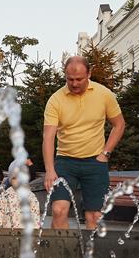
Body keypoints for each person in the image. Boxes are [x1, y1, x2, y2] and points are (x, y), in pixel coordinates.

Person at [42, 55, 126, 230]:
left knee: (95, 217)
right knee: (58, 210)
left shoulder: (104, 94)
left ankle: (90, 249)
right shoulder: (56, 99)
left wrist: (106, 153)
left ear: (89, 74)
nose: (74, 84)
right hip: (65, 162)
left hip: (95, 162)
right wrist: (49, 169)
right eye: (70, 79)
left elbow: (119, 124)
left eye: (79, 79)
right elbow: (48, 136)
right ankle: (62, 248)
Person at [0, 161, 41, 229]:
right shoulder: (4, 196)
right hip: (7, 233)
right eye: (14, 178)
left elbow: (36, 218)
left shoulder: (31, 197)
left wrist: (35, 230)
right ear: (10, 180)